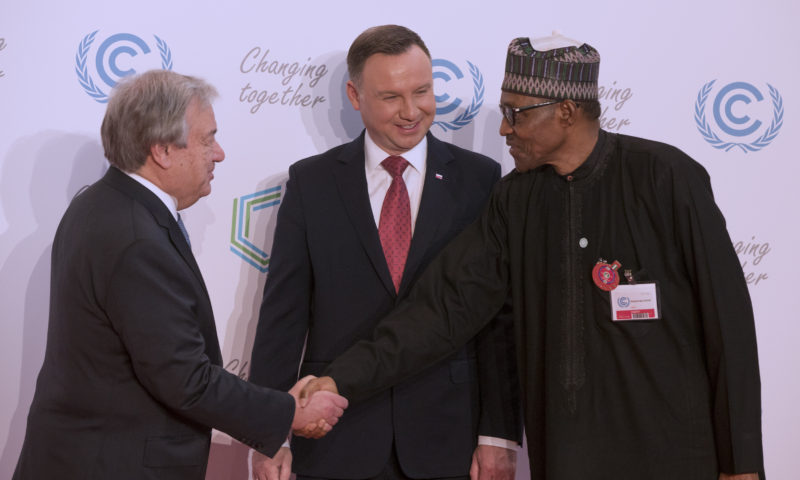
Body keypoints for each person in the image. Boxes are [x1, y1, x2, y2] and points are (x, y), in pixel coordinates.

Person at [300, 34, 766, 480]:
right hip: (567, 457)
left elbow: (728, 326)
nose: (504, 127)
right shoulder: (514, 201)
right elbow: (441, 308)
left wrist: (741, 460)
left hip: (674, 455)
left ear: (566, 111)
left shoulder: (665, 178)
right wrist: (339, 378)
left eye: (516, 113)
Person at [12, 69, 348, 480]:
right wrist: (289, 414)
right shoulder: (135, 238)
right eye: (207, 139)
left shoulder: (102, 204)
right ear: (162, 151)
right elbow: (185, 378)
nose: (219, 153)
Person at [249, 24, 521, 480]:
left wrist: (497, 435)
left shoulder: (480, 180)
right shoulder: (312, 183)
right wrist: (269, 431)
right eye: (391, 97)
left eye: (423, 91)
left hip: (447, 434)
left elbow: (497, 318)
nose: (411, 111)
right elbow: (283, 317)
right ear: (355, 97)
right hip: (336, 435)